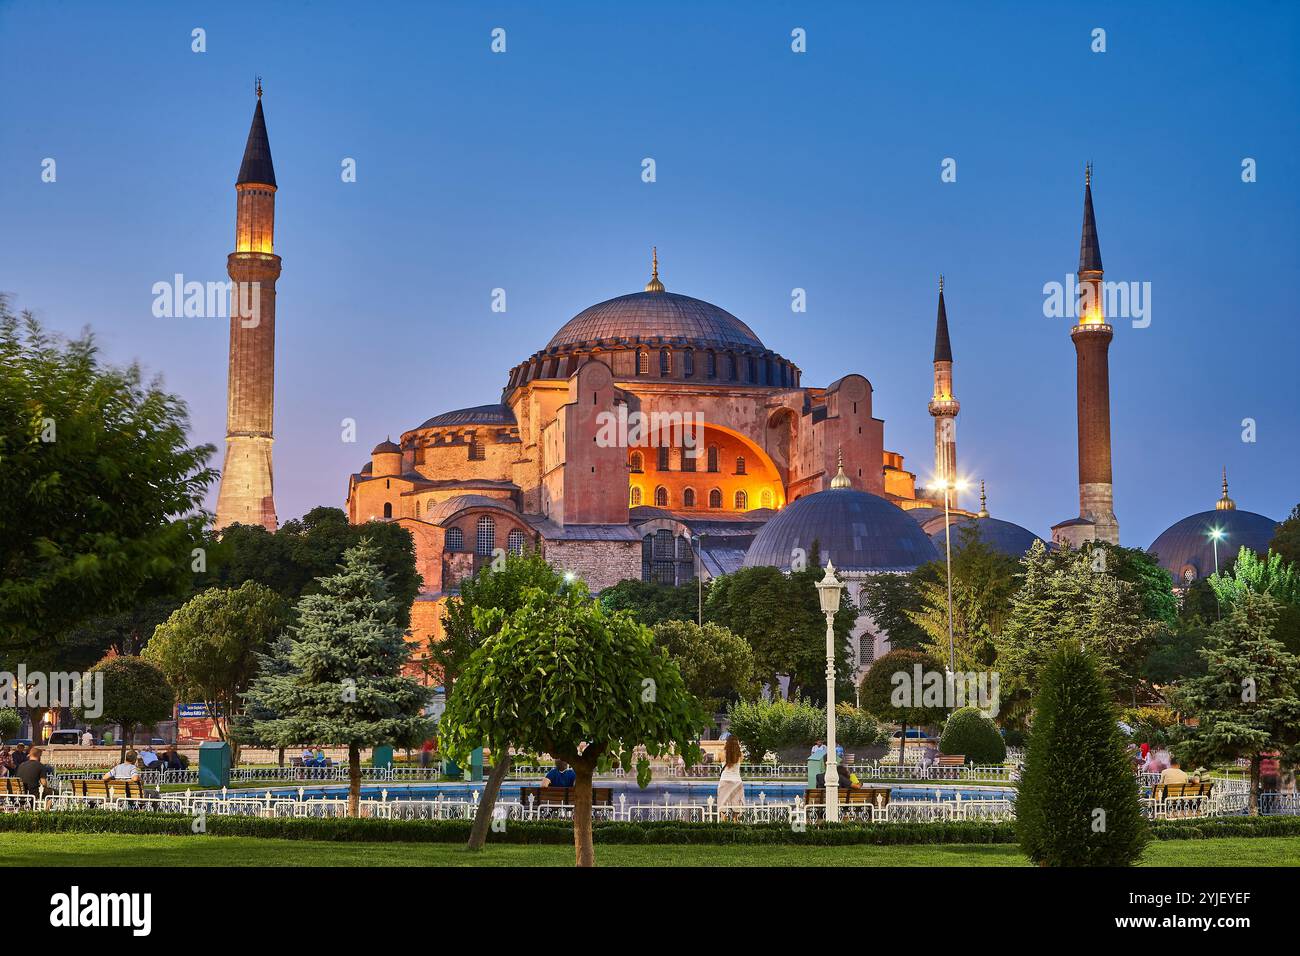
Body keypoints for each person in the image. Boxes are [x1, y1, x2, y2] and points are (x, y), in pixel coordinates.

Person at [716, 737, 745, 819]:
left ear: (727, 743)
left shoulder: (722, 753)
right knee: (737, 803)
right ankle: (736, 821)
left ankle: (723, 821)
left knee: (722, 802)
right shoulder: (740, 755)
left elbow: (718, 759)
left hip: (724, 780)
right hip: (737, 781)